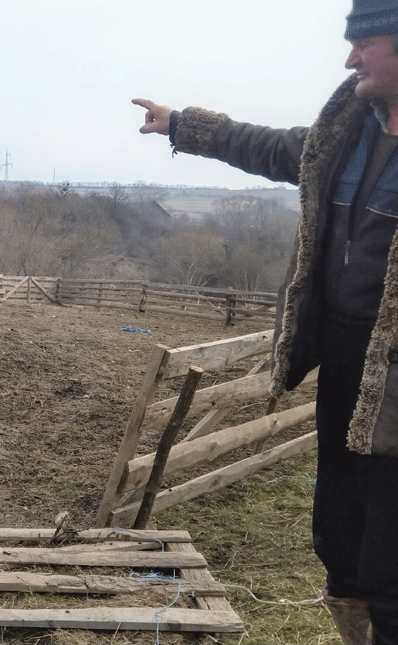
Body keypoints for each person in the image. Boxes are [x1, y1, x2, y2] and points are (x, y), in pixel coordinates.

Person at [134, 2, 398, 642]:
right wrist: (186, 126)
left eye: (364, 43)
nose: (350, 58)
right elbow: (275, 148)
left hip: (396, 379)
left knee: (387, 549)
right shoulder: (349, 133)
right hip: (343, 360)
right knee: (337, 535)